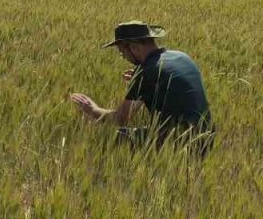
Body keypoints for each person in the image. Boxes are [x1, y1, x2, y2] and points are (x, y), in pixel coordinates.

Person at [69, 21, 215, 155]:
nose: (123, 56)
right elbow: (173, 81)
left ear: (134, 47)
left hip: (179, 142)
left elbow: (121, 118)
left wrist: (92, 109)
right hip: (207, 137)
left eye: (122, 51)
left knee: (112, 137)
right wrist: (141, 78)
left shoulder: (147, 73)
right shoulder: (182, 56)